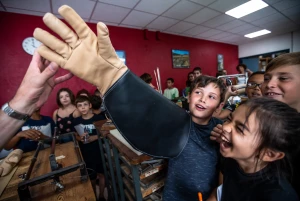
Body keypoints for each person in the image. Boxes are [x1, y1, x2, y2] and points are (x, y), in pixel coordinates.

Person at [33, 6, 227, 200]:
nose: (203, 98)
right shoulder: (178, 121)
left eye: (212, 96)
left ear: (220, 105)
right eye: (199, 92)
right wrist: (112, 79)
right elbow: (143, 118)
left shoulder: (222, 131)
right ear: (189, 96)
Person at [209, 98, 300, 201]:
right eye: (229, 119)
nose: (225, 127)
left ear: (268, 154)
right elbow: (222, 190)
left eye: (240, 129)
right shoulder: (233, 159)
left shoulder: (279, 196)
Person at [0, 52, 72, 150]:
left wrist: (43, 138)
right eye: (61, 97)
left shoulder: (48, 120)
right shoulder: (21, 123)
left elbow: (56, 141)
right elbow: (7, 147)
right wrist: (19, 135)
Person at [73, 95, 105, 200]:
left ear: (90, 105)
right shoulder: (76, 121)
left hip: (99, 150)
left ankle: (101, 196)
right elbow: (75, 135)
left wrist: (94, 137)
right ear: (77, 108)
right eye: (80, 105)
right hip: (86, 151)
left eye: (85, 104)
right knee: (91, 175)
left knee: (101, 174)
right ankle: (94, 196)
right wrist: (79, 138)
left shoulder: (99, 118)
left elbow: (106, 133)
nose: (83, 107)